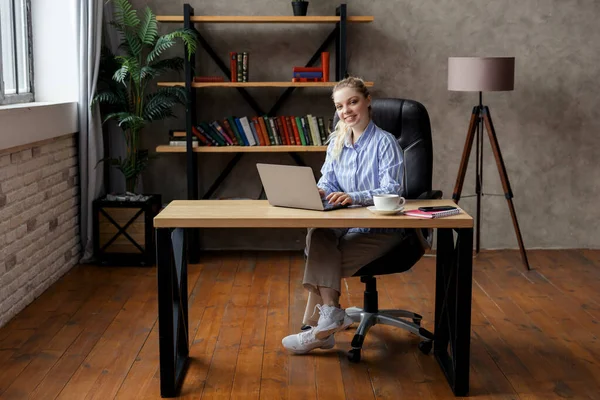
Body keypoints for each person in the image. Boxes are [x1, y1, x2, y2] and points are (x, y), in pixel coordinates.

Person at [281, 76, 407, 354]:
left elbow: (392, 190)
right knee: (318, 234)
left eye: (352, 102)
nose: (346, 111)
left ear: (367, 101)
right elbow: (329, 181)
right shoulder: (336, 141)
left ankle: (320, 331)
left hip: (380, 230)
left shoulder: (385, 143)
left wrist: (354, 196)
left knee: (319, 259)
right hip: (343, 224)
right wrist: (318, 192)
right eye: (340, 106)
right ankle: (329, 319)